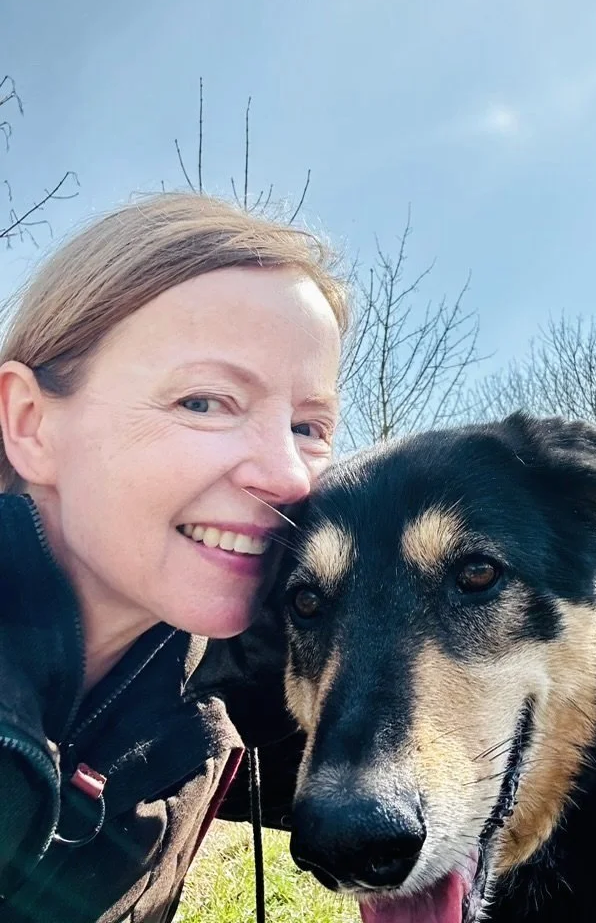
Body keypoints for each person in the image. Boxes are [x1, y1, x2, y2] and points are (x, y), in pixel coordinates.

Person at [0, 192, 347, 922]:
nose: (289, 477)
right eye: (204, 402)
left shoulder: (205, 704)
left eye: (309, 426)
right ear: (30, 424)